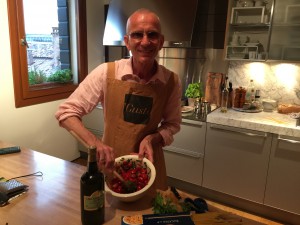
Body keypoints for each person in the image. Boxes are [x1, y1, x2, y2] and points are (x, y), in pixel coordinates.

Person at [55, 8, 182, 191]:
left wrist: (152, 139)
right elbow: (66, 113)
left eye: (152, 35)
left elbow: (172, 124)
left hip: (150, 167)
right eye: (137, 35)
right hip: (110, 166)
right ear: (127, 42)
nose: (145, 42)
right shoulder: (106, 73)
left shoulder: (171, 81)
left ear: (161, 42)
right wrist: (95, 144)